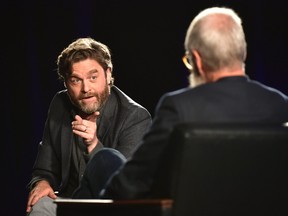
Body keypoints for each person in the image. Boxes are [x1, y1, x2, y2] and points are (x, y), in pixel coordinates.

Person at [71, 6, 288, 200]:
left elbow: (134, 180)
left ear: (197, 60)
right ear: (243, 52)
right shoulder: (280, 105)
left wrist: (106, 199)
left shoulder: (178, 106)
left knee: (103, 162)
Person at [26, 37, 152, 215]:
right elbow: (44, 168)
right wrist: (42, 183)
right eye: (76, 80)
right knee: (39, 206)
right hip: (69, 202)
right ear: (66, 83)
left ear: (108, 74)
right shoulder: (59, 104)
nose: (86, 88)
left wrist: (93, 145)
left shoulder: (135, 117)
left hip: (108, 208)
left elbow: (125, 188)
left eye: (93, 77)